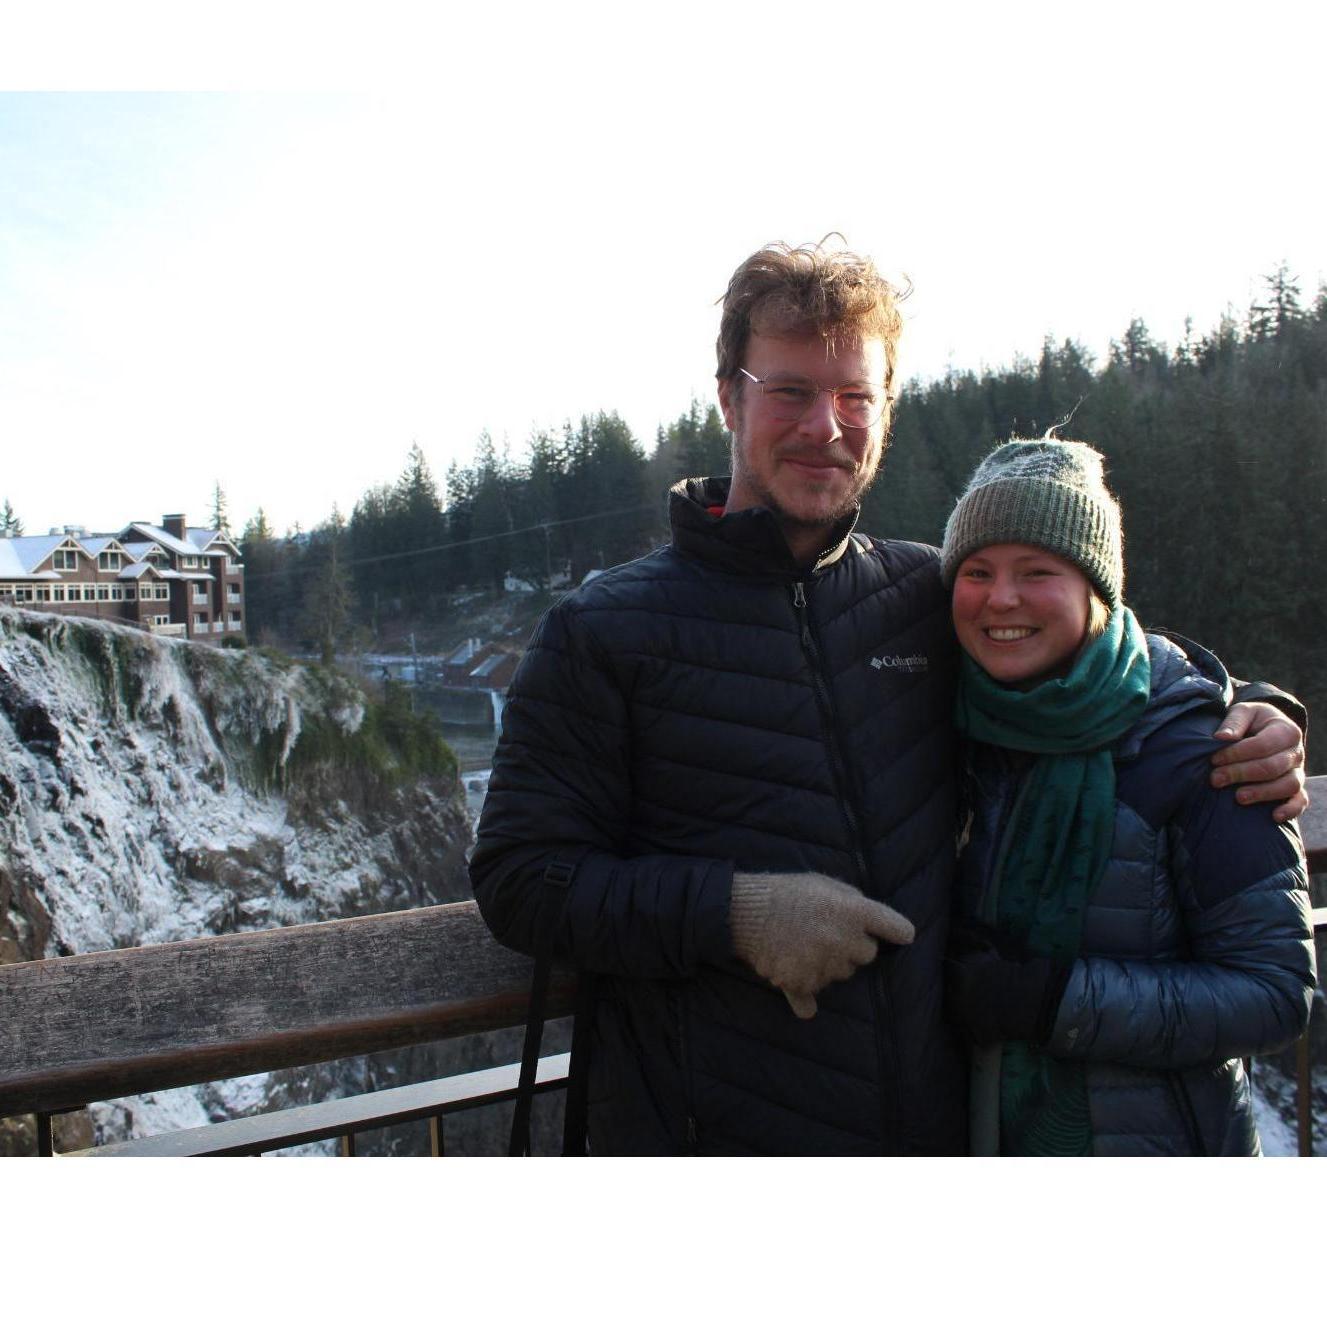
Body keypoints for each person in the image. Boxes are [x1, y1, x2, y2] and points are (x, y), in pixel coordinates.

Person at [470, 240, 1307, 1155]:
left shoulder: (918, 596)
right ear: (729, 397)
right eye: (790, 390)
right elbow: (521, 880)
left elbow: (1093, 644)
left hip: (935, 1134)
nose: (825, 425)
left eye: (855, 396)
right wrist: (733, 914)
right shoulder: (603, 630)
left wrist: (1252, 704)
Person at [941, 439, 1316, 1154]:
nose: (1001, 597)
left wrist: (1052, 1001)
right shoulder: (943, 725)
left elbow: (1273, 992)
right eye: (977, 570)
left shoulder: (1202, 751)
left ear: (1096, 588)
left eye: (1037, 571)